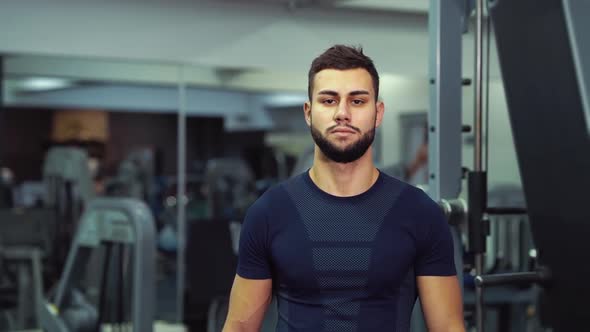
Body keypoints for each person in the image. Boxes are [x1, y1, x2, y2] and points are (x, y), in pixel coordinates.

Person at [223, 45, 464, 332]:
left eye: (358, 101)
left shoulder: (421, 213)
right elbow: (238, 328)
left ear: (378, 112)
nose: (342, 113)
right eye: (329, 100)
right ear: (308, 112)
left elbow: (448, 327)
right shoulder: (268, 213)